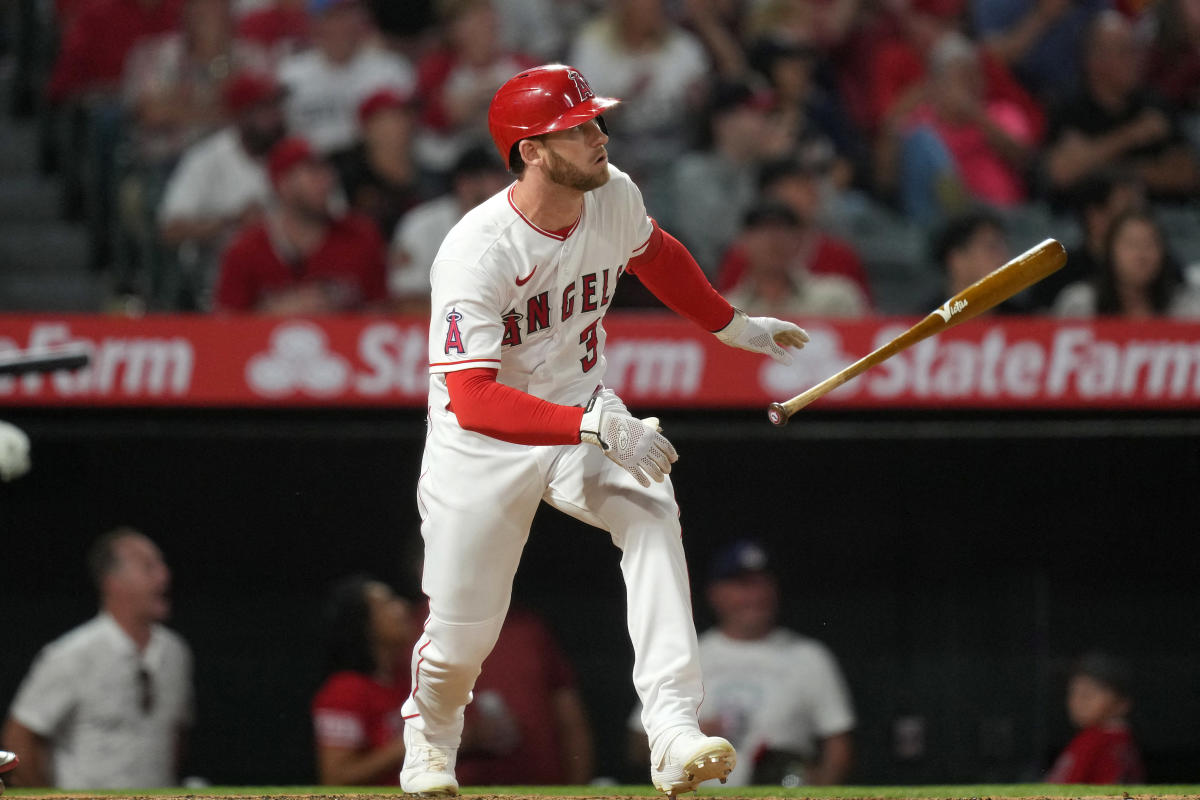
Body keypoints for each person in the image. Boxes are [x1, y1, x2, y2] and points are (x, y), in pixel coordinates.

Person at [398, 63, 810, 798]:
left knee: (653, 511)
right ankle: (428, 740)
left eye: (597, 120)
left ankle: (673, 730)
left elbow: (656, 254)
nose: (600, 135)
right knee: (462, 641)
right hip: (483, 447)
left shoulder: (613, 192)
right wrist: (591, 425)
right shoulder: (476, 252)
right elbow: (473, 400)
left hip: (583, 409)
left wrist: (733, 326)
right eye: (579, 127)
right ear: (530, 150)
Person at [628, 539, 855, 787]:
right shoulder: (685, 657)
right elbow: (638, 745)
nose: (756, 596)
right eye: (742, 585)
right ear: (715, 593)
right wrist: (681, 741)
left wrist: (819, 788)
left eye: (763, 583)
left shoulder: (809, 657)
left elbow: (838, 747)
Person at [1, 528, 194, 789]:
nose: (164, 576)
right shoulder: (72, 655)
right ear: (112, 582)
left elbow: (176, 736)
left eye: (162, 565)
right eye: (149, 568)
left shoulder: (176, 653)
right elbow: (19, 736)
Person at [213, 136, 389, 313]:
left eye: (327, 170)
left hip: (344, 340)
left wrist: (338, 316)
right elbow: (223, 326)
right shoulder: (246, 249)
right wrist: (273, 314)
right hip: (266, 340)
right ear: (283, 183)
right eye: (313, 172)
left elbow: (382, 312)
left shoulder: (360, 236)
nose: (326, 180)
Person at [157, 70, 287, 309]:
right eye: (264, 109)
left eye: (276, 107)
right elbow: (170, 229)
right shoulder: (207, 158)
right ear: (239, 115)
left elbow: (335, 215)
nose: (275, 117)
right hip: (218, 275)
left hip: (290, 277)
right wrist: (234, 221)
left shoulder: (297, 155)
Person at [1044, 10, 1200, 205]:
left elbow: (1187, 175)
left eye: (1136, 50)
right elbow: (1060, 173)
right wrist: (1132, 135)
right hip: (1084, 222)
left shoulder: (1155, 104)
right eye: (1126, 51)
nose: (1137, 60)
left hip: (1159, 218)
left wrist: (1096, 163)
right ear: (1095, 59)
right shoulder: (1068, 109)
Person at [455, 606, 594, 785]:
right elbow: (407, 741)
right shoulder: (417, 627)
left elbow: (571, 720)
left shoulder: (529, 628)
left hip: (542, 786)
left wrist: (578, 788)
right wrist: (465, 737)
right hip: (463, 786)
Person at [311, 575, 418, 785]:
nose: (402, 607)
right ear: (363, 624)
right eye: (387, 603)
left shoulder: (408, 680)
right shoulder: (344, 691)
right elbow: (335, 778)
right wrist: (415, 742)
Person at [276, 0, 415, 154]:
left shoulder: (391, 69)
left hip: (371, 164)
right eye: (332, 17)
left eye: (348, 14)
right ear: (315, 23)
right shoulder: (290, 74)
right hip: (314, 164)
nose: (341, 25)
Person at [388, 144, 511, 312]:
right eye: (492, 178)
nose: (505, 186)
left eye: (504, 178)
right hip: (432, 330)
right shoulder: (421, 225)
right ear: (464, 183)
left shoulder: (521, 225)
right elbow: (407, 301)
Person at [722, 203, 868, 318]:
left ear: (799, 241)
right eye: (762, 231)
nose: (773, 240)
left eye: (783, 230)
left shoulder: (836, 298)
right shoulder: (728, 309)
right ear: (743, 242)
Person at [1028, 169, 1145, 311]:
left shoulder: (1160, 269)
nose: (1138, 220)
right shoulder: (1058, 274)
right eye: (1126, 210)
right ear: (1095, 216)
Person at [1053, 209, 1200, 318]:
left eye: (1150, 244)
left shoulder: (1186, 307)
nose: (1142, 255)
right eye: (1132, 244)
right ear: (1110, 251)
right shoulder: (1080, 304)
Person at [329, 87, 424, 242]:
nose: (404, 123)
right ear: (369, 128)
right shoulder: (345, 174)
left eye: (406, 115)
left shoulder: (431, 173)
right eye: (393, 117)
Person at [1046, 652, 1145, 784]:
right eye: (1074, 692)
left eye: (1089, 693)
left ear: (1122, 703)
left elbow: (1057, 789)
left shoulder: (1092, 741)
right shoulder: (1124, 740)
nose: (1079, 701)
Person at [929, 208, 1024, 312]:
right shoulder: (920, 322)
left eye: (1004, 247)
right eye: (991, 248)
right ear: (957, 260)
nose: (1004, 256)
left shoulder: (1023, 319)